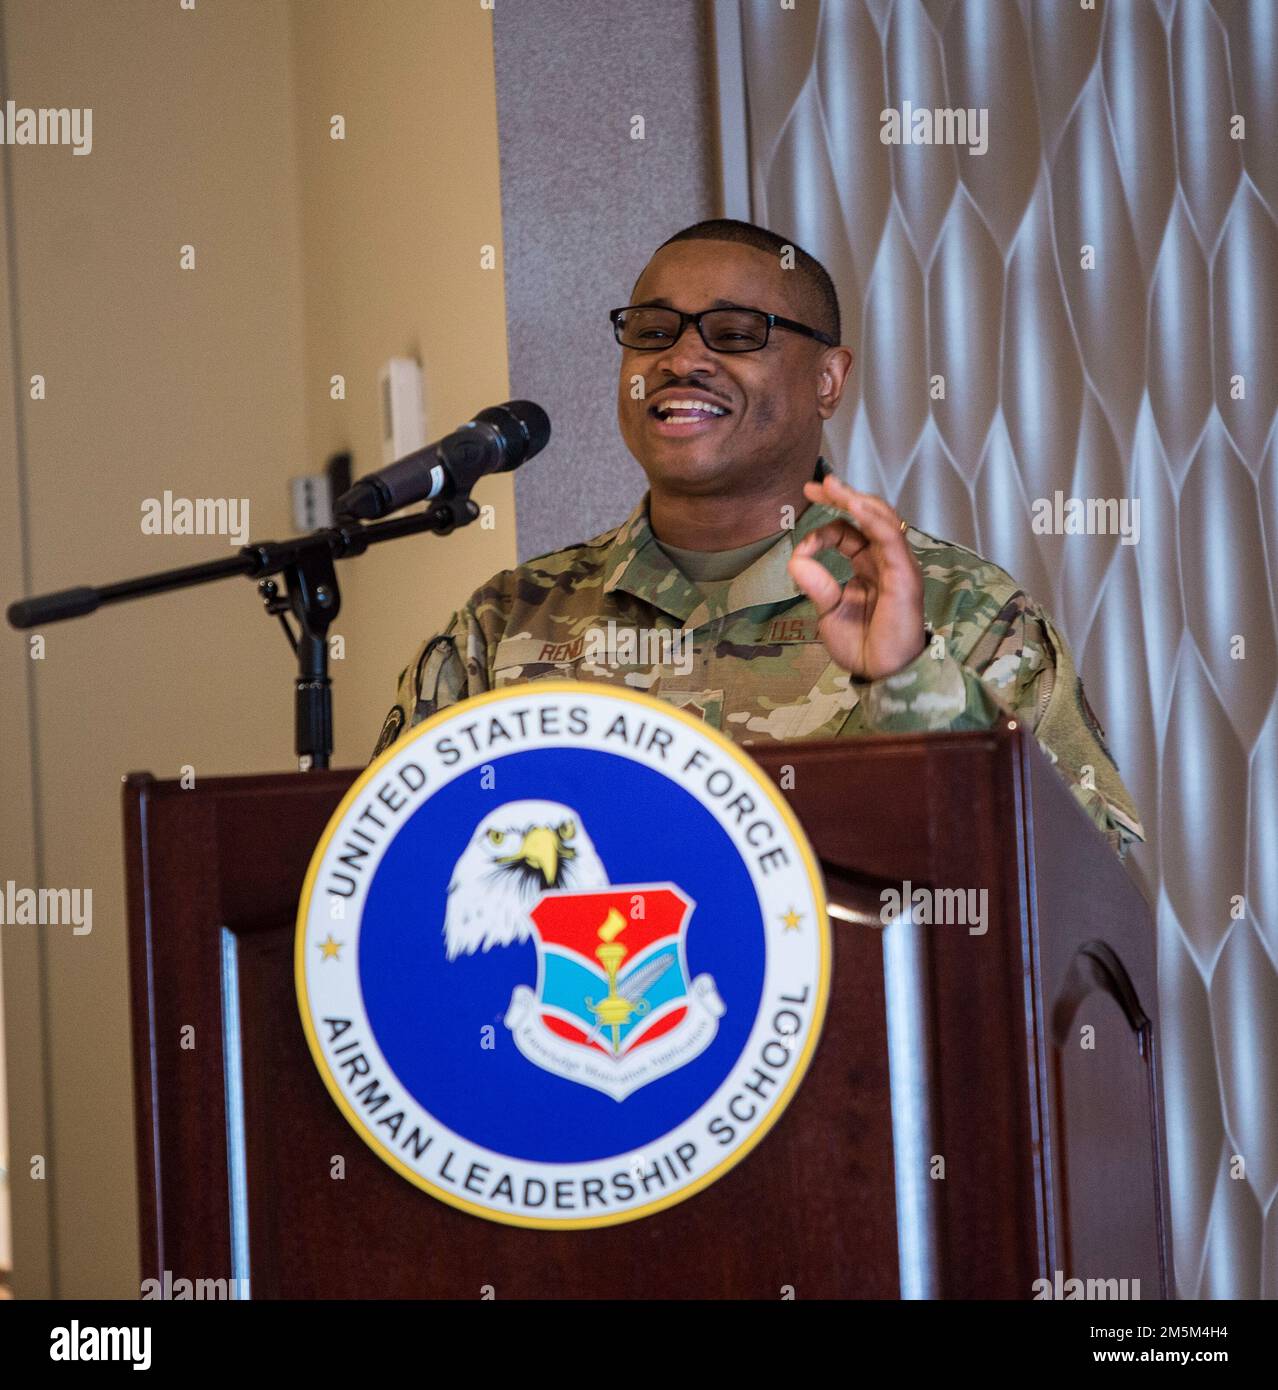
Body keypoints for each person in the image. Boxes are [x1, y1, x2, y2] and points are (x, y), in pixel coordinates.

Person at [372, 219, 1144, 858]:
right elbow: (389, 864)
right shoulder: (504, 623)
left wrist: (911, 683)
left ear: (828, 381)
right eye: (651, 331)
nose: (680, 359)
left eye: (737, 333)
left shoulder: (965, 610)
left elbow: (1084, 888)